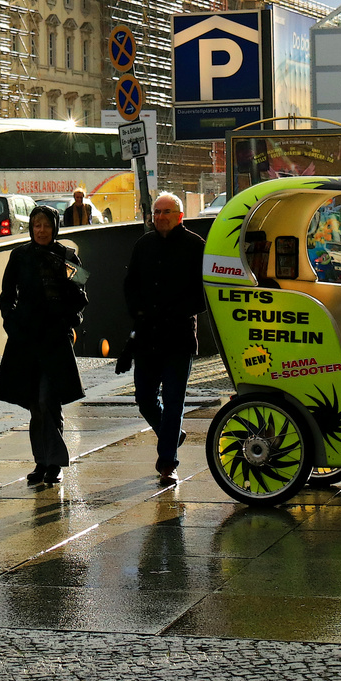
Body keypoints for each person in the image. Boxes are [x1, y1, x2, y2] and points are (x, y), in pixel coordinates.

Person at [0, 205, 88, 486]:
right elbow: (6, 295)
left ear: (54, 227)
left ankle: (55, 462)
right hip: (25, 340)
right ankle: (42, 462)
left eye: (46, 225)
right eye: (37, 225)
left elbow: (82, 293)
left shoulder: (68, 257)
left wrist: (69, 321)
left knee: (49, 399)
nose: (41, 230)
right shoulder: (20, 256)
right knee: (35, 404)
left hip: (54, 340)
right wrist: (11, 323)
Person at [123, 190, 207, 484]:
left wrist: (177, 311)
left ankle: (167, 463)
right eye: (156, 213)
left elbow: (203, 293)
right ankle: (172, 434)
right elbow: (130, 284)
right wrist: (138, 312)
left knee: (174, 401)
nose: (159, 217)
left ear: (179, 216)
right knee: (144, 398)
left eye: (165, 212)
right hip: (147, 336)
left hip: (179, 336)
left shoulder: (196, 246)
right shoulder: (143, 244)